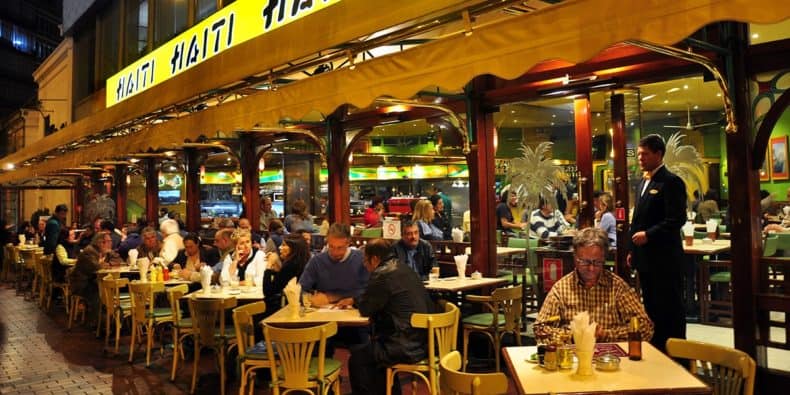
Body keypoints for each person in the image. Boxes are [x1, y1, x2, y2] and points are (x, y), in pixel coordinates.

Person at [349, 238, 438, 394]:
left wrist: (355, 301)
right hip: (425, 342)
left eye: (365, 259)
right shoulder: (404, 268)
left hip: (404, 345)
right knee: (372, 352)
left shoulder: (382, 274)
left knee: (358, 358)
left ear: (375, 259)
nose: (364, 264)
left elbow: (366, 308)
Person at [535, 228, 654, 342]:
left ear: (604, 258)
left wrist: (607, 335)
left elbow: (645, 328)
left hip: (610, 357)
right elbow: (540, 328)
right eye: (585, 262)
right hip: (573, 356)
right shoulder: (561, 289)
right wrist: (571, 335)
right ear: (575, 258)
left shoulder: (617, 287)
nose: (591, 268)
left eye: (597, 262)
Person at [627, 133, 687, 352]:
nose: (640, 158)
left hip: (665, 259)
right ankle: (656, 348)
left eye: (645, 154)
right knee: (651, 307)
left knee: (669, 308)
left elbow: (677, 219)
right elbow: (638, 219)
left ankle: (676, 353)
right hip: (646, 259)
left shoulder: (671, 182)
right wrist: (632, 249)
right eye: (639, 154)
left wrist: (649, 235)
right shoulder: (643, 182)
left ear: (658, 154)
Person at [299, 222, 368, 308]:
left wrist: (334, 296)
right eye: (331, 246)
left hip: (354, 311)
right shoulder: (317, 261)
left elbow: (370, 291)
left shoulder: (361, 259)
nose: (335, 252)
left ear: (348, 243)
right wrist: (309, 299)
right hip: (324, 312)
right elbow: (299, 289)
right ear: (327, 241)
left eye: (340, 248)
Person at [68, 231, 122, 322]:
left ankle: (113, 319)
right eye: (108, 241)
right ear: (100, 243)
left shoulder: (105, 251)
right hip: (82, 284)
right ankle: (101, 322)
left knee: (113, 290)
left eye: (110, 241)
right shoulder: (89, 251)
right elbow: (96, 267)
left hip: (94, 281)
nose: (111, 243)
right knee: (100, 292)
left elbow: (119, 260)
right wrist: (104, 264)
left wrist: (108, 263)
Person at [262, 234, 310, 316]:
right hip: (302, 307)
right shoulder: (304, 262)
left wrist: (269, 265)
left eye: (284, 245)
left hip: (286, 310)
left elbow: (268, 291)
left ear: (294, 249)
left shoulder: (290, 265)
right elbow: (282, 280)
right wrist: (277, 265)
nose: (280, 247)